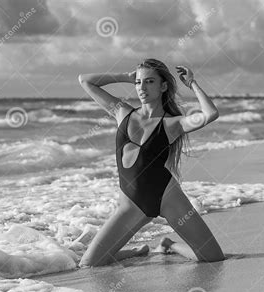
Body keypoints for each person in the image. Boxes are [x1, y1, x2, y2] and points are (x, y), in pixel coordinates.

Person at [77, 58, 224, 267]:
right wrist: (125, 78)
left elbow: (210, 114)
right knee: (89, 264)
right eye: (138, 82)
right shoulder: (122, 112)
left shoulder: (172, 124)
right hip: (131, 203)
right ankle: (137, 251)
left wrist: (192, 84)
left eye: (149, 82)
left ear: (163, 86)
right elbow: (85, 81)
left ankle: (169, 244)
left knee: (213, 258)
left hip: (167, 196)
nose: (142, 87)